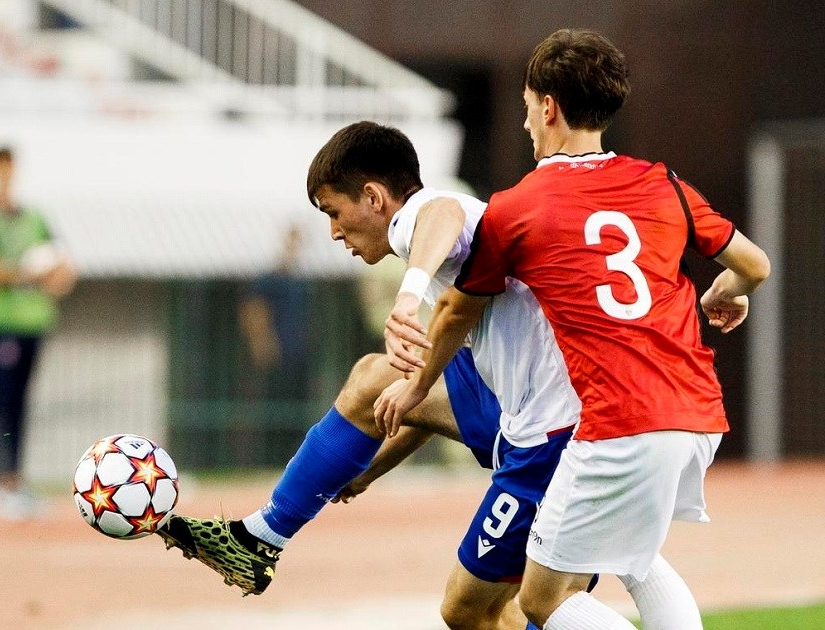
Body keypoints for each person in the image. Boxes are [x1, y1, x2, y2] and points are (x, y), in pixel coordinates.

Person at [376, 29, 771, 629]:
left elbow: (459, 310)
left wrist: (413, 385)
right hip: (696, 414)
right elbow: (755, 265)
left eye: (528, 107)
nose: (528, 123)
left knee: (542, 599)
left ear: (549, 107)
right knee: (633, 559)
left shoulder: (519, 205)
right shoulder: (662, 182)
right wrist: (725, 290)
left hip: (618, 422)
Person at [159, 121, 589, 629]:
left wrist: (408, 296)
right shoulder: (459, 242)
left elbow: (442, 212)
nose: (334, 232)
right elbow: (419, 399)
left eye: (334, 213)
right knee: (379, 379)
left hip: (556, 433)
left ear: (373, 197)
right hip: (538, 411)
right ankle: (260, 538)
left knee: (499, 609)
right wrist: (369, 467)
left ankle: (261, 537)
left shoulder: (421, 217)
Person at [0, 145, 76, 519]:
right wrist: (31, 274)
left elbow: (62, 264)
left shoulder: (37, 218)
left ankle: (15, 480)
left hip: (34, 321)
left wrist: (58, 276)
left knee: (21, 404)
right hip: (0, 322)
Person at [236, 223, 312, 465]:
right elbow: (253, 310)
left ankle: (287, 460)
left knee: (294, 413)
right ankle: (266, 461)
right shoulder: (269, 280)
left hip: (297, 357)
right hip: (275, 359)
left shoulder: (300, 281)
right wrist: (263, 344)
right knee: (270, 413)